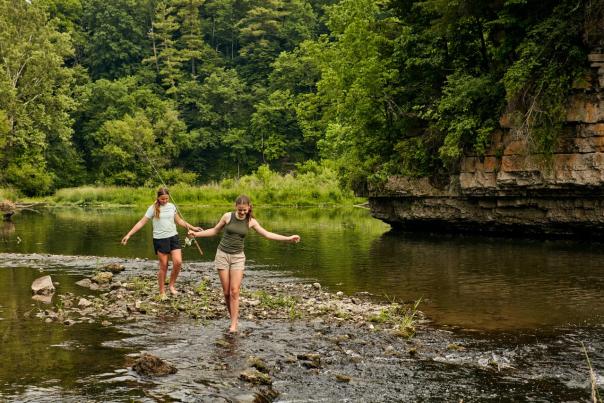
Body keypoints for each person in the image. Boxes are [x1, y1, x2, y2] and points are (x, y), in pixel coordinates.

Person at [187, 195, 300, 332]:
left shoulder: (251, 221)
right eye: (240, 210)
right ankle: (232, 317)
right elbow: (215, 231)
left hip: (238, 258)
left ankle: (234, 324)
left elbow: (267, 234)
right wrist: (196, 234)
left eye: (244, 210)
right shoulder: (227, 216)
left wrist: (288, 238)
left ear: (249, 208)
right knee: (226, 293)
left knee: (234, 291)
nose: (242, 212)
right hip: (222, 255)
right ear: (235, 207)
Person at [121, 187, 201, 300]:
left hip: (173, 237)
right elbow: (141, 222)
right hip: (160, 239)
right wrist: (129, 235)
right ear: (158, 198)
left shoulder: (172, 206)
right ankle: (162, 291)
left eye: (167, 198)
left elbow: (179, 221)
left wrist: (192, 228)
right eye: (162, 199)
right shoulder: (152, 208)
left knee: (178, 262)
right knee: (164, 266)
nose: (165, 201)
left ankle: (172, 285)